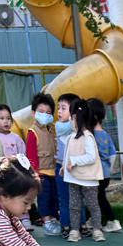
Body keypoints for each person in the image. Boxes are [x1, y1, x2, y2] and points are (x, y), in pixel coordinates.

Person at [61, 98, 104, 243]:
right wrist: (64, 166)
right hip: (73, 178)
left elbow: (91, 157)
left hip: (88, 179)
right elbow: (67, 155)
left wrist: (74, 161)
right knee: (74, 206)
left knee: (93, 205)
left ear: (74, 117)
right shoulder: (70, 137)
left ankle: (97, 230)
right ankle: (75, 230)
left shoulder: (88, 137)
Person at [0, 102, 32, 230]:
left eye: (8, 118)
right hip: (1, 175)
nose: (6, 121)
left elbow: (23, 155)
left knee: (19, 194)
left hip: (16, 174)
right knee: (5, 197)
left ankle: (24, 218)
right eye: (1, 118)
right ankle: (5, 221)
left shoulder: (16, 138)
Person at [25, 92, 60, 235]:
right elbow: (31, 156)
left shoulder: (52, 130)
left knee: (54, 198)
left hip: (54, 172)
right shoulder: (32, 132)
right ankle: (47, 222)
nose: (45, 115)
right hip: (42, 174)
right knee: (44, 199)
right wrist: (35, 174)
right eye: (41, 112)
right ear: (33, 113)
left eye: (48, 112)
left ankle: (54, 220)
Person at [54, 91, 85, 238]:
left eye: (63, 108)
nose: (59, 112)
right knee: (64, 198)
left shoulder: (80, 130)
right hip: (60, 167)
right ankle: (65, 224)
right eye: (58, 108)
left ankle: (81, 224)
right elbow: (68, 127)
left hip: (76, 167)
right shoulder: (59, 126)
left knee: (78, 197)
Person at [88, 98, 122, 233]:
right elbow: (113, 153)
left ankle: (112, 220)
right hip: (106, 174)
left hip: (96, 173)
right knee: (98, 197)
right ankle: (94, 219)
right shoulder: (106, 135)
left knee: (99, 198)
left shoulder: (91, 136)